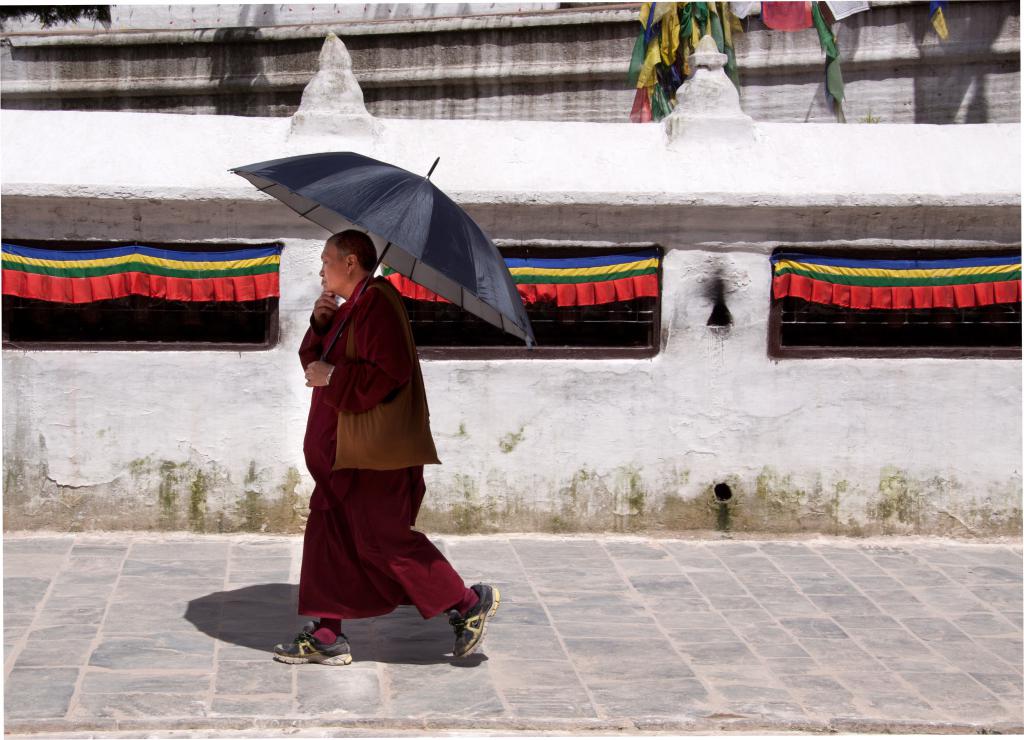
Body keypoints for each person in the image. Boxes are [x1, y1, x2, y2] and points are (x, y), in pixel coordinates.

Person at [273, 230, 499, 666]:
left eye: (327, 260)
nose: (321, 270)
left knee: (383, 541)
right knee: (330, 535)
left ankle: (466, 603)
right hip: (342, 455)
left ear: (351, 263)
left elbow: (388, 373)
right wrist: (321, 326)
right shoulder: (350, 308)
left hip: (371, 456)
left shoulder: (378, 304)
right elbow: (316, 365)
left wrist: (335, 378)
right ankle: (326, 632)